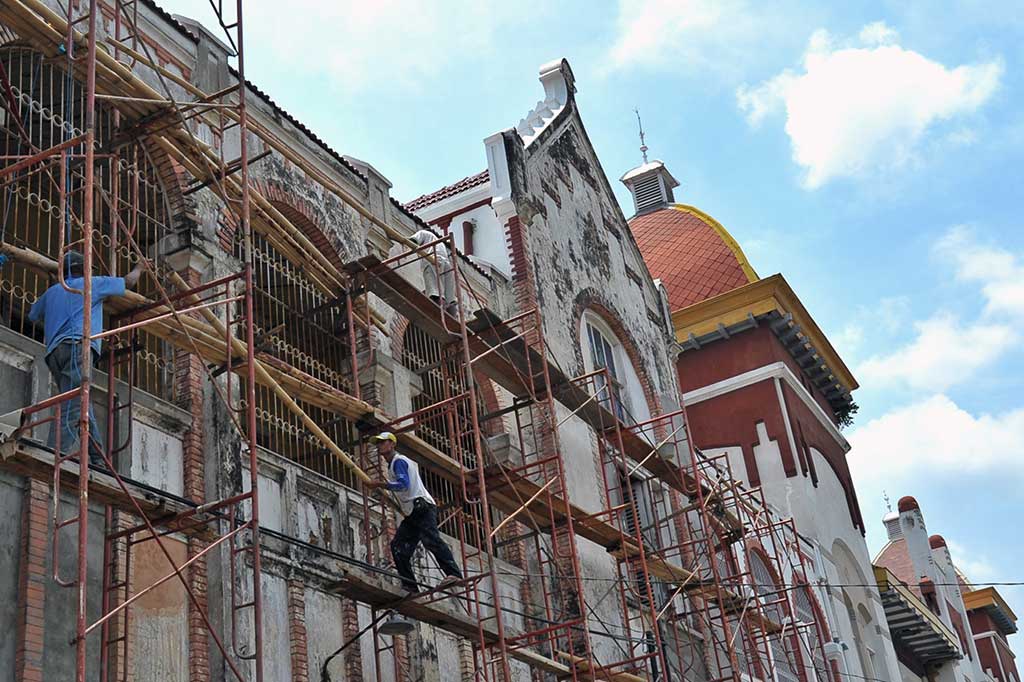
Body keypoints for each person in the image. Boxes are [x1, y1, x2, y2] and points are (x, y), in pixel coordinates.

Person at [28, 251, 145, 465]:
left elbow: (33, 314)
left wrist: (57, 296)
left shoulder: (52, 292)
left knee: (81, 402)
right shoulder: (92, 284)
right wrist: (140, 267)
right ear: (82, 269)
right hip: (77, 347)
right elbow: (128, 282)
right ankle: (54, 455)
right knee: (74, 405)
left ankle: (97, 458)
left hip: (54, 353)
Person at [365, 431, 463, 593]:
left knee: (431, 539)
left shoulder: (399, 461)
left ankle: (454, 574)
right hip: (413, 512)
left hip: (422, 507)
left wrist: (379, 484)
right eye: (378, 443)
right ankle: (410, 585)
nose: (380, 446)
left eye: (383, 442)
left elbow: (402, 484)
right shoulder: (393, 464)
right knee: (398, 547)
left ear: (392, 444)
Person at [411, 228, 455, 312]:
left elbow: (413, 240)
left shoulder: (423, 233)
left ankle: (437, 313)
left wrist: (400, 239)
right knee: (449, 298)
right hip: (447, 265)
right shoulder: (441, 243)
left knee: (435, 291)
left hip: (433, 261)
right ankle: (451, 316)